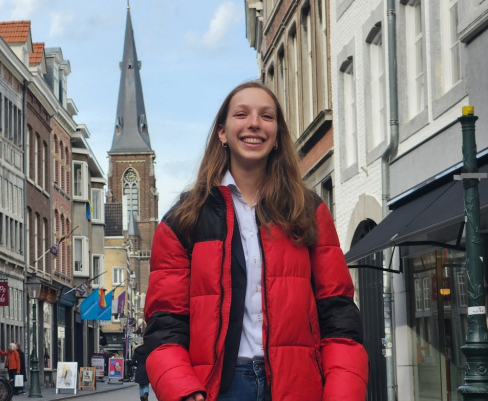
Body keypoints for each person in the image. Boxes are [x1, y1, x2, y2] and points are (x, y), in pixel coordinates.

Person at [143, 81, 368, 401]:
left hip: (298, 386)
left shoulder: (308, 211)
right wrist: (183, 390)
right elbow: (165, 323)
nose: (254, 123)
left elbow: (339, 314)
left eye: (266, 116)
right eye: (241, 114)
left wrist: (342, 393)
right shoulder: (183, 221)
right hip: (218, 390)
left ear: (277, 136)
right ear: (222, 132)